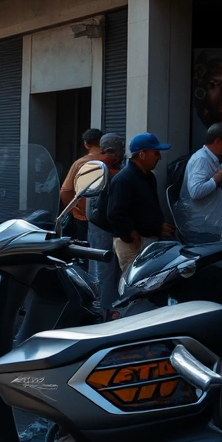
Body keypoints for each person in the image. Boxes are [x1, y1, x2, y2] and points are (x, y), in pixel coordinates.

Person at [107, 133, 174, 273]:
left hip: (149, 240)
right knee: (135, 287)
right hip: (131, 244)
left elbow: (145, 209)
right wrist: (134, 236)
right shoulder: (124, 179)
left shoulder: (149, 177)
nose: (159, 158)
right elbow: (116, 214)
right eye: (156, 153)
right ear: (142, 154)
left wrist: (158, 225)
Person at [178, 122, 222, 243]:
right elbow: (196, 191)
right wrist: (220, 176)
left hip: (210, 230)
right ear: (218, 142)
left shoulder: (212, 159)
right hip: (202, 231)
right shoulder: (201, 159)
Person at [87, 133, 125, 315]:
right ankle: (107, 312)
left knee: (103, 272)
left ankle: (105, 310)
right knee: (106, 273)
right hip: (104, 228)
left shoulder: (93, 166)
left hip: (97, 226)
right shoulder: (108, 168)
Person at [59, 128, 104, 240]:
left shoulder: (80, 163)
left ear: (86, 144)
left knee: (86, 250)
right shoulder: (111, 161)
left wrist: (75, 210)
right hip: (106, 216)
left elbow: (66, 191)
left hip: (84, 217)